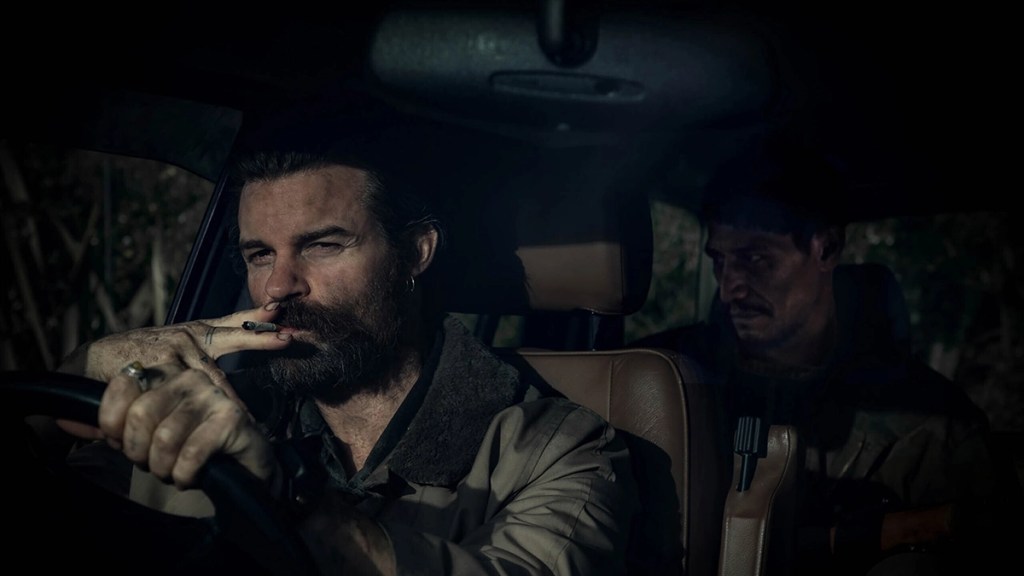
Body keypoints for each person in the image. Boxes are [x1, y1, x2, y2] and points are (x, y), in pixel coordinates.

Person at [45, 136, 639, 575]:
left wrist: (289, 496)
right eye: (259, 255)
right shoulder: (213, 411)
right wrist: (76, 375)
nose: (279, 285)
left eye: (323, 245)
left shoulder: (558, 449)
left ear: (415, 254)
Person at [632, 134, 1022, 575]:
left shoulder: (929, 428)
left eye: (756, 259)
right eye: (720, 261)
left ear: (827, 249)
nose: (730, 287)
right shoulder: (660, 380)